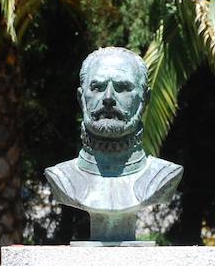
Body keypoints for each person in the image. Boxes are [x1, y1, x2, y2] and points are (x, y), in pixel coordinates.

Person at [44, 47, 182, 243]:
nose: (108, 98)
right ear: (81, 99)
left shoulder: (163, 175)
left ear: (145, 99)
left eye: (123, 87)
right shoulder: (62, 178)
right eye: (97, 87)